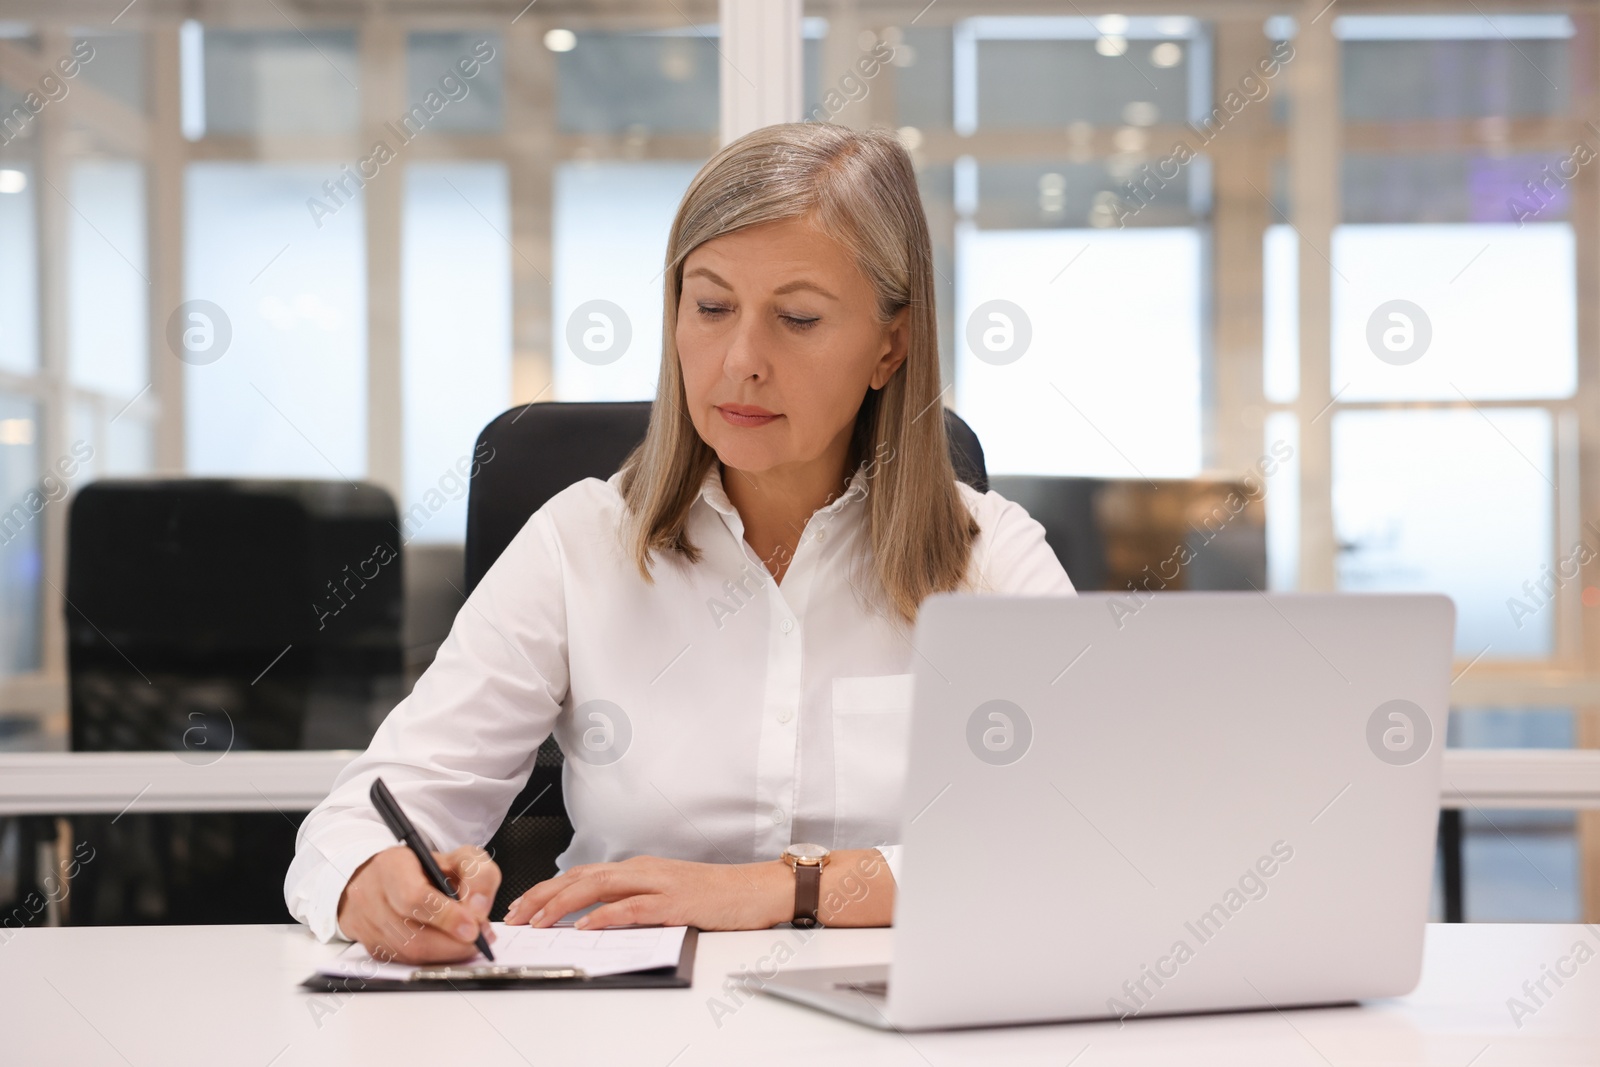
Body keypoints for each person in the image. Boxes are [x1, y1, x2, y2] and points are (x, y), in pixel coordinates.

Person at [283, 120, 1075, 964]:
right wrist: (376, 879)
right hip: (621, 1025)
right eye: (710, 306)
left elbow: (1080, 834)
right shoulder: (577, 542)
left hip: (894, 1025)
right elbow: (357, 820)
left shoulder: (990, 555)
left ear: (892, 343)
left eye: (798, 318)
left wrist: (777, 888)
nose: (741, 359)